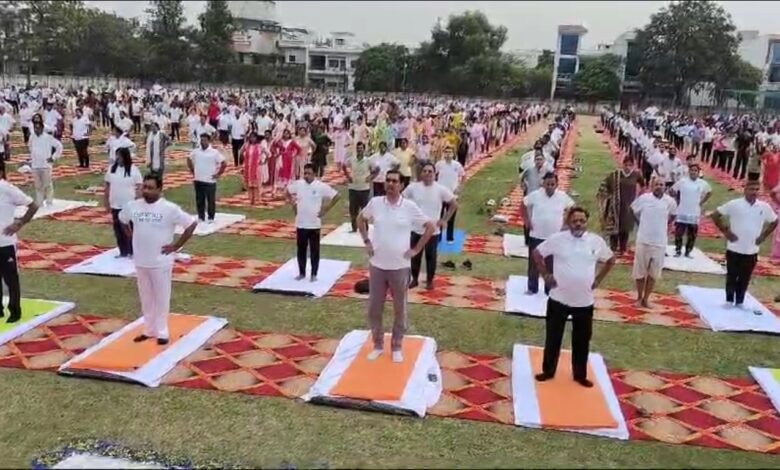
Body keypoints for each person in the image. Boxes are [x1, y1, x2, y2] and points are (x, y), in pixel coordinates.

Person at [531, 207, 615, 387]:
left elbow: (610, 260)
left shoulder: (596, 242)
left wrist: (598, 280)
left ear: (587, 222)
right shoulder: (558, 239)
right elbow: (537, 253)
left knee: (582, 340)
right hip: (558, 299)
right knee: (553, 337)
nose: (578, 224)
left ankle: (579, 374)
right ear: (569, 222)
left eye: (582, 221)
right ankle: (548, 371)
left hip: (584, 302)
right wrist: (545, 274)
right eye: (575, 220)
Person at [358, 169, 435, 363]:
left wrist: (416, 250)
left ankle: (397, 345)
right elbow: (361, 219)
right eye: (388, 181)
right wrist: (366, 240)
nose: (391, 184)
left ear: (401, 185)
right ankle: (377, 344)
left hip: (400, 267)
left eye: (395, 181)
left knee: (400, 308)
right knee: (375, 308)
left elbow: (430, 227)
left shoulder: (409, 207)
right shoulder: (375, 203)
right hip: (377, 265)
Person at [119, 174, 198, 345]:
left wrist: (176, 246)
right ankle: (149, 329)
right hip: (140, 260)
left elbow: (191, 224)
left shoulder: (169, 208)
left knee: (161, 297)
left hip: (160, 261)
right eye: (144, 187)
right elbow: (122, 220)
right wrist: (130, 236)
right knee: (146, 297)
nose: (146, 191)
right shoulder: (133, 206)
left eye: (150, 188)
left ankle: (162, 331)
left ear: (159, 189)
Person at [711, 181, 778, 310]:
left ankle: (740, 300)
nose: (754, 192)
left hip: (752, 249)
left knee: (745, 276)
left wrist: (763, 236)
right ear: (745, 190)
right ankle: (729, 300)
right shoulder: (735, 204)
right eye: (751, 189)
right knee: (732, 275)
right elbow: (715, 215)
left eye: (757, 189)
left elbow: (774, 221)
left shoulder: (763, 207)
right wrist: (727, 232)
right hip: (734, 248)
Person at [403, 162, 458, 290]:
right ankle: (414, 279)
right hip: (416, 229)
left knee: (431, 257)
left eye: (430, 172)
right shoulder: (413, 187)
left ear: (435, 174)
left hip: (433, 231)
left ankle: (429, 281)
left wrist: (445, 220)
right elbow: (401, 200)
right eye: (425, 171)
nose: (427, 174)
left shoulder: (440, 189)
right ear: (421, 173)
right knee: (415, 256)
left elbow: (454, 204)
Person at [523, 172, 575, 295]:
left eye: (552, 184)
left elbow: (573, 208)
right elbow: (523, 204)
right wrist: (527, 221)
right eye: (548, 184)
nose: (550, 187)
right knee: (534, 263)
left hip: (554, 237)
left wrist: (566, 224)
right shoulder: (536, 195)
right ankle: (532, 288)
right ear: (543, 183)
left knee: (551, 265)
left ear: (556, 184)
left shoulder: (562, 196)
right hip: (536, 235)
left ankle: (549, 289)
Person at [287, 163, 340, 281]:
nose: (306, 176)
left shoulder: (320, 186)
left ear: (314, 174)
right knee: (301, 249)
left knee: (314, 250)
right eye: (305, 173)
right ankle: (301, 273)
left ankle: (314, 274)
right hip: (301, 223)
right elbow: (287, 191)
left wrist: (326, 209)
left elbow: (336, 196)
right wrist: (293, 204)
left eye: (309, 173)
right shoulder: (299, 184)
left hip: (314, 224)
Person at [0, 162, 38, 323]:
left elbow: (33, 205)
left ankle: (15, 311)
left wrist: (20, 223)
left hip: (5, 242)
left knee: (11, 279)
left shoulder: (7, 189)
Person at [597, 157, 644, 254]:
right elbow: (604, 185)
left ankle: (623, 248)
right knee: (614, 227)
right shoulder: (615, 175)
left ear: (633, 166)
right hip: (615, 206)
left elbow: (643, 185)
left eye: (630, 165)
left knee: (625, 227)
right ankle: (613, 248)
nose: (627, 167)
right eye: (626, 165)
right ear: (622, 165)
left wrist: (639, 196)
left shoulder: (636, 175)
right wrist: (608, 197)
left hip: (629, 205)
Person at [104, 147, 143, 258]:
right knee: (118, 229)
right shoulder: (112, 168)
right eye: (116, 156)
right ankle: (123, 251)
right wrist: (106, 200)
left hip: (129, 205)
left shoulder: (133, 170)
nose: (117, 158)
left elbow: (139, 186)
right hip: (115, 204)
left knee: (130, 229)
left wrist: (138, 200)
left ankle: (133, 251)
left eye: (119, 156)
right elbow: (107, 185)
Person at [670, 163, 711, 257]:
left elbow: (709, 192)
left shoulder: (702, 183)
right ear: (689, 171)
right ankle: (678, 250)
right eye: (692, 170)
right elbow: (672, 190)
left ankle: (688, 251)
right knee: (679, 233)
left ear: (698, 172)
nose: (693, 172)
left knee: (692, 235)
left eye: (695, 171)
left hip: (694, 212)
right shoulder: (683, 181)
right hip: (682, 211)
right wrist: (677, 199)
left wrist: (701, 202)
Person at [187, 133, 227, 224]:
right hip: (198, 179)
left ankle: (211, 217)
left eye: (205, 140)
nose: (203, 142)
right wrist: (193, 170)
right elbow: (188, 159)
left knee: (210, 200)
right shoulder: (196, 151)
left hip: (210, 180)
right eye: (201, 140)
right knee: (199, 199)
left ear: (208, 141)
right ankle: (201, 216)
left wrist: (218, 174)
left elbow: (224, 163)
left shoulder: (214, 152)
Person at [28, 120, 64, 207]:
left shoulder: (48, 137)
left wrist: (53, 157)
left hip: (45, 165)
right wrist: (32, 157)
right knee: (38, 185)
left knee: (47, 184)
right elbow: (30, 146)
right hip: (35, 165)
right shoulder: (32, 137)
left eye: (38, 128)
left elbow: (59, 146)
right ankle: (39, 202)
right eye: (35, 128)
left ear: (42, 128)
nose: (36, 130)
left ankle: (49, 201)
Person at [434, 145, 465, 243]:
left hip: (452, 195)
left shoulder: (457, 165)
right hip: (440, 194)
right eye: (446, 152)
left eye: (450, 152)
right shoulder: (439, 164)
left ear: (453, 154)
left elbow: (463, 176)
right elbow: (434, 175)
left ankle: (449, 237)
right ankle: (437, 236)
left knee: (451, 216)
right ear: (444, 154)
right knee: (439, 215)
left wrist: (459, 187)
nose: (448, 154)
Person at [342, 141, 372, 232]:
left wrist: (370, 177)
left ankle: (365, 227)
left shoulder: (368, 160)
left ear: (364, 149)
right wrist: (348, 176)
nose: (359, 150)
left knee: (364, 209)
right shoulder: (352, 159)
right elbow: (344, 165)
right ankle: (354, 227)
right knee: (353, 210)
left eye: (361, 148)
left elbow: (376, 169)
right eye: (358, 149)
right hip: (353, 187)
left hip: (364, 188)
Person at [241, 132, 267, 205]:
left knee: (256, 184)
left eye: (254, 137)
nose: (252, 139)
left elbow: (268, 153)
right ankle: (251, 199)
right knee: (249, 184)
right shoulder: (246, 145)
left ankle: (257, 199)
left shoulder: (260, 146)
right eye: (251, 137)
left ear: (257, 138)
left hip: (256, 167)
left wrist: (264, 161)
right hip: (248, 167)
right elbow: (241, 151)